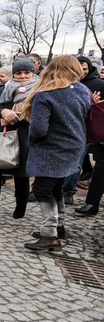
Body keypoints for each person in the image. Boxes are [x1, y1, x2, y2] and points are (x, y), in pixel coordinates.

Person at [23, 55, 91, 251]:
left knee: (43, 189)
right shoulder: (82, 90)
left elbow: (38, 129)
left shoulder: (46, 94)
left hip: (50, 148)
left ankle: (49, 234)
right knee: (56, 187)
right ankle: (58, 225)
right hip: (75, 146)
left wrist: (33, 141)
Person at [0, 57, 38, 225]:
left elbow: (41, 116)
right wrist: (3, 112)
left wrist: (21, 117)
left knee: (21, 175)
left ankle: (20, 206)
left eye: (27, 72)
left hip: (25, 137)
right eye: (19, 72)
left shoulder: (39, 91)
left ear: (33, 73)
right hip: (3, 136)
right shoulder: (4, 89)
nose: (23, 76)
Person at [63, 55, 104, 209]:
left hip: (86, 129)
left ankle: (68, 191)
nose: (81, 72)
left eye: (84, 69)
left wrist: (94, 104)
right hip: (67, 127)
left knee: (77, 161)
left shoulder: (99, 84)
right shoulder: (66, 84)